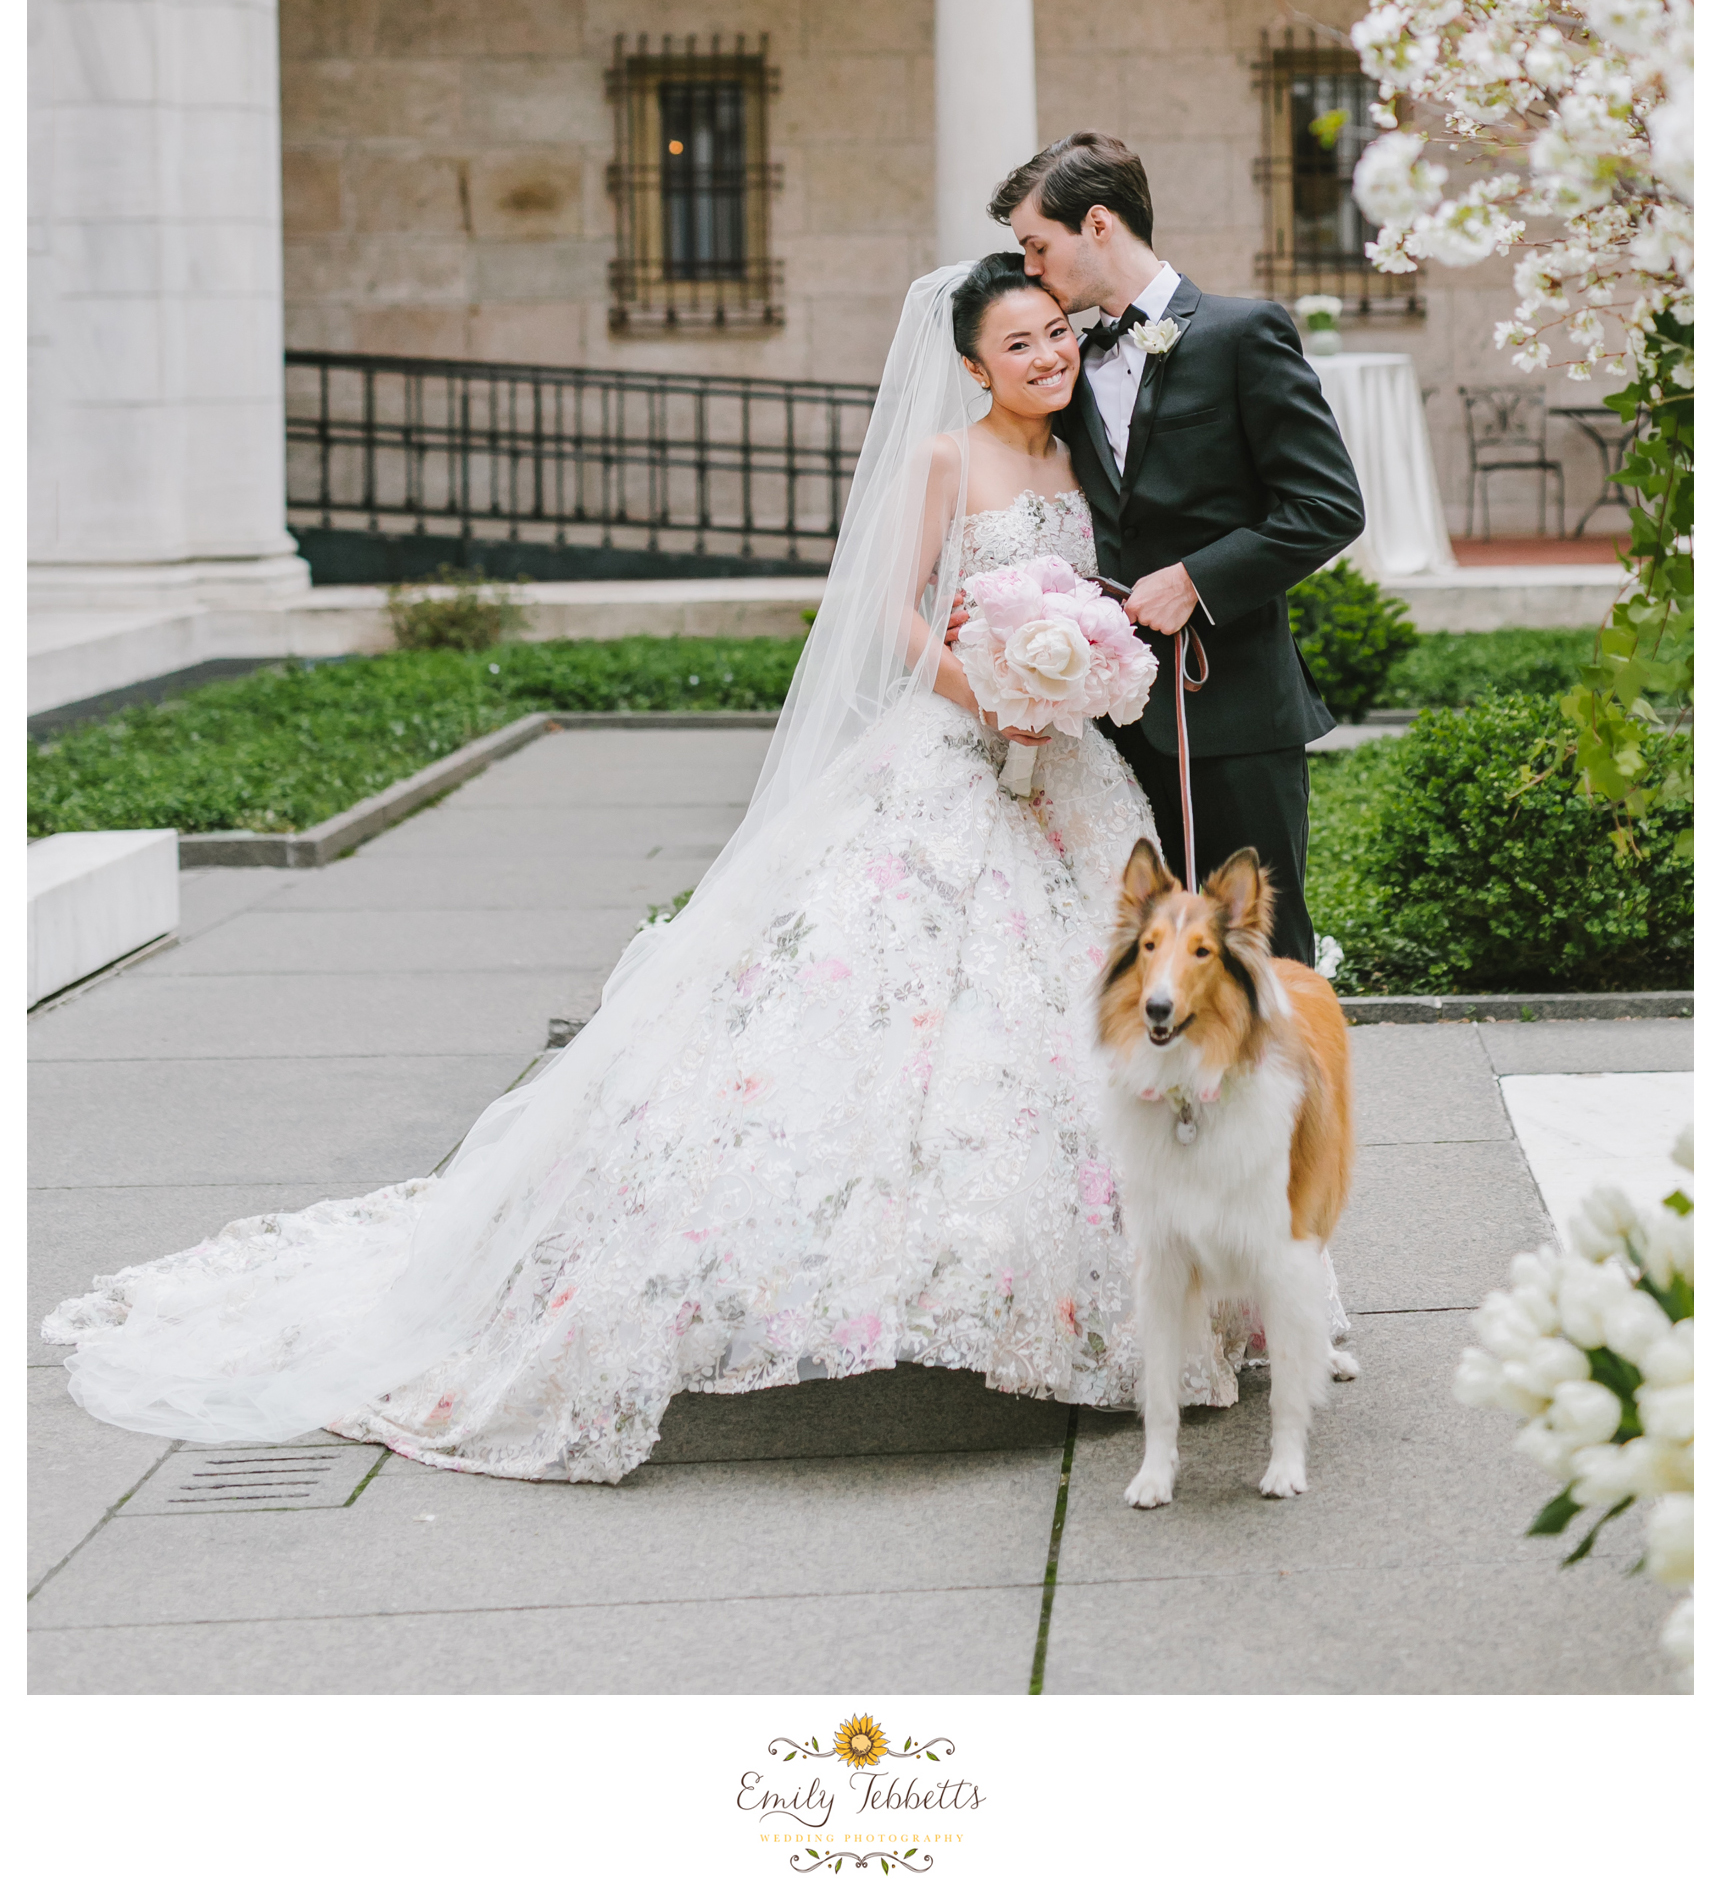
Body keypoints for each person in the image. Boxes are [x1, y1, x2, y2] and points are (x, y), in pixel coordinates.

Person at [47, 254, 1303, 1485]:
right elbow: (891, 607)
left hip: (1067, 772)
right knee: (876, 1007)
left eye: (1056, 334)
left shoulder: (1085, 455)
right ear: (972, 361)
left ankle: (1123, 1291)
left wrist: (1073, 674)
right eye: (1018, 341)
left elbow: (1099, 593)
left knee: (1087, 1018)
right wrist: (983, 683)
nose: (1046, 356)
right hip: (948, 747)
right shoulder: (943, 457)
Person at [992, 132, 1366, 968]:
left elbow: (1328, 505)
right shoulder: (1068, 365)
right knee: (1147, 968)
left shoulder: (1243, 334)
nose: (1030, 268)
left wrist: (1197, 579)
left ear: (1096, 224)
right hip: (1114, 729)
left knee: (1261, 958)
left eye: (1036, 246)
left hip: (1232, 704)